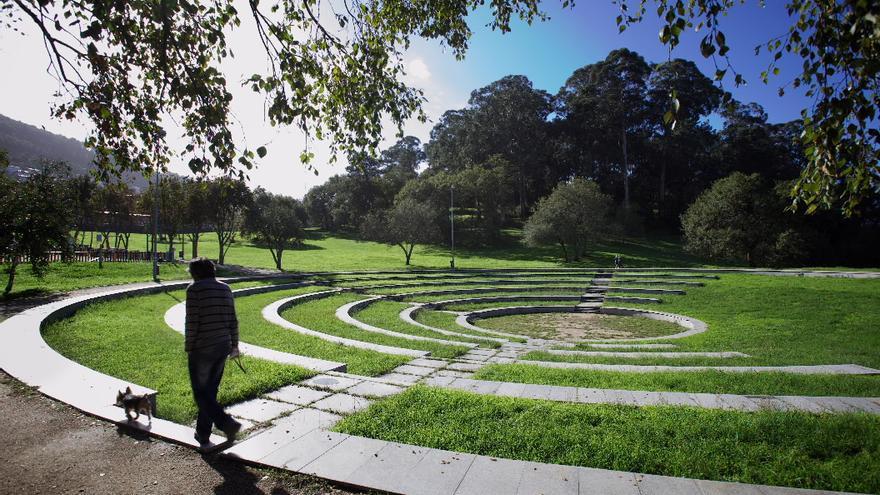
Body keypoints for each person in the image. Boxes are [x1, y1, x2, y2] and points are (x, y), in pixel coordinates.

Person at [185, 258, 242, 447]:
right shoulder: (225, 289)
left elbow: (192, 322)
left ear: (196, 273)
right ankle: (202, 433)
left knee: (201, 393)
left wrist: (190, 346)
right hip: (222, 345)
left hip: (203, 347)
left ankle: (227, 423)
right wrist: (234, 345)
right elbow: (233, 320)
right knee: (210, 391)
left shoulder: (194, 290)